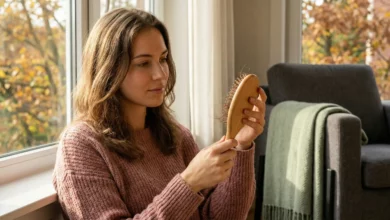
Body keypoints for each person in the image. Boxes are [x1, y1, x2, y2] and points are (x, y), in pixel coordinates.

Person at [53, 7, 267, 220]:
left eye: (163, 59)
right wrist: (189, 184)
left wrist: (241, 145)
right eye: (143, 63)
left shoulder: (177, 136)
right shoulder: (81, 146)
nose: (160, 74)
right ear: (109, 70)